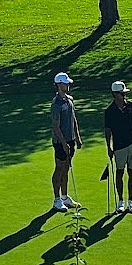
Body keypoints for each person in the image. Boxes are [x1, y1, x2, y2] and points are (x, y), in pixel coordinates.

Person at [103, 80, 132, 214]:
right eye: (121, 94)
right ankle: (120, 201)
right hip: (119, 146)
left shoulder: (131, 106)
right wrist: (109, 147)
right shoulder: (109, 111)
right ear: (115, 94)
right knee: (119, 172)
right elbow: (108, 131)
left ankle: (130, 201)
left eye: (124, 93)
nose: (124, 96)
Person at [48, 72, 83, 213]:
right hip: (60, 141)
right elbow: (56, 126)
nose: (68, 85)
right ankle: (57, 200)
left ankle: (65, 196)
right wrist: (63, 143)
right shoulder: (56, 104)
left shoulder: (69, 100)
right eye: (65, 83)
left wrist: (78, 137)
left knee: (67, 167)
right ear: (59, 85)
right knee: (59, 168)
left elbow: (73, 119)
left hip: (71, 139)